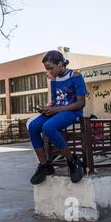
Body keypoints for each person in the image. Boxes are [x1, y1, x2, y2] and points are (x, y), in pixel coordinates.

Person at [27, 50, 87, 185]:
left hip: (72, 112)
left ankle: (72, 161)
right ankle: (45, 165)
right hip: (57, 111)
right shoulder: (54, 80)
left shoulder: (75, 76)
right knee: (33, 127)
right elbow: (54, 101)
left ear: (60, 64)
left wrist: (56, 109)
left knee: (48, 127)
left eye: (50, 68)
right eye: (47, 69)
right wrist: (47, 108)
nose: (49, 71)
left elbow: (81, 103)